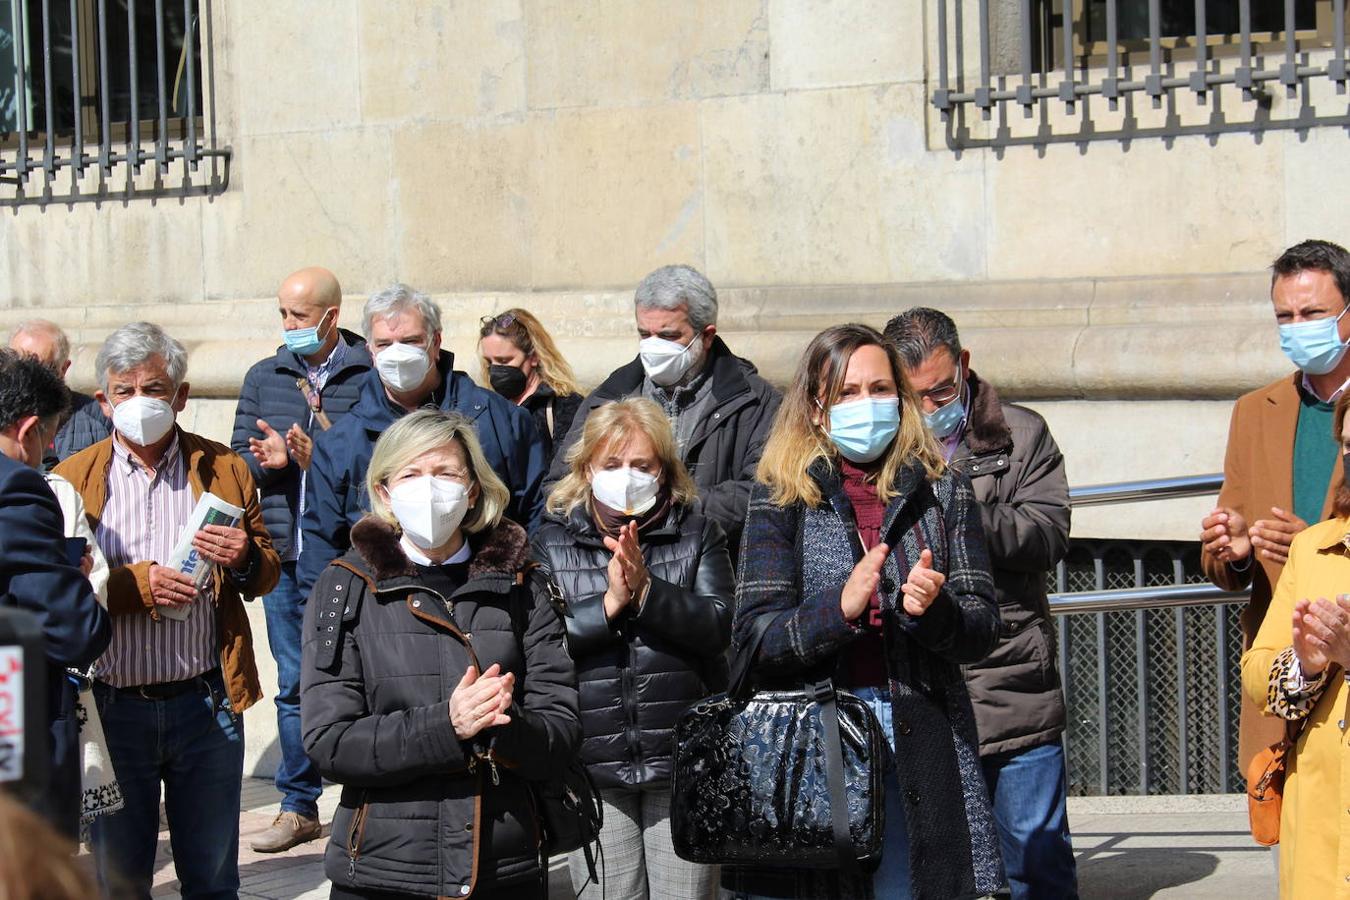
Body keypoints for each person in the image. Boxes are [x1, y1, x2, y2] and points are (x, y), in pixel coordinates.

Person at [727, 323, 1003, 899]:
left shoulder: (942, 489)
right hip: (816, 743)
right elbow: (754, 638)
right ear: (816, 406)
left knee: (914, 886)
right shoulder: (781, 493)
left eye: (880, 388)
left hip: (922, 731)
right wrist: (839, 610)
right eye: (848, 392)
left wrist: (935, 610)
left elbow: (981, 629)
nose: (867, 404)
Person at [300, 410, 580, 899]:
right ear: (385, 491)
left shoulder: (525, 582)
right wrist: (445, 726)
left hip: (504, 861)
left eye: (445, 473)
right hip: (385, 869)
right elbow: (329, 741)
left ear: (472, 488)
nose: (429, 489)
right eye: (410, 474)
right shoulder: (346, 585)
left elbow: (562, 728)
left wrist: (503, 723)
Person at [54, 322, 280, 898]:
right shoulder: (71, 480)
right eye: (122, 391)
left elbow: (268, 571)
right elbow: (59, 591)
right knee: (121, 879)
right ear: (103, 400)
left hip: (204, 707)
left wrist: (246, 557)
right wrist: (136, 586)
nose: (138, 403)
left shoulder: (225, 468)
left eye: (152, 389)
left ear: (179, 396)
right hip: (111, 708)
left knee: (210, 877)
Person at [886, 307, 1078, 899]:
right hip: (922, 687)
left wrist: (960, 510)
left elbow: (1048, 533)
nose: (928, 406)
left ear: (964, 366)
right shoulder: (876, 444)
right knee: (943, 867)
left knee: (1034, 858)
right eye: (911, 395)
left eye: (941, 389)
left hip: (1010, 678)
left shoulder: (1020, 433)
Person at [532, 398, 733, 899]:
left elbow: (719, 626)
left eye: (642, 465)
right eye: (613, 464)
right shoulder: (550, 544)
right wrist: (608, 604)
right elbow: (540, 642)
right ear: (586, 469)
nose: (627, 476)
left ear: (663, 471)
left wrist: (647, 594)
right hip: (593, 763)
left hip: (682, 762)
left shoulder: (697, 532)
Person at [230, 266, 373, 852]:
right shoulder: (266, 376)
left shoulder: (368, 375)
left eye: (297, 315)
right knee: (294, 680)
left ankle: (364, 800)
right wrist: (267, 461)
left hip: (352, 555)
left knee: (369, 676)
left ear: (330, 317)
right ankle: (298, 804)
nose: (287, 325)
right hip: (287, 555)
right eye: (282, 314)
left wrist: (325, 455)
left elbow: (386, 456)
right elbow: (240, 460)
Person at [1201, 239, 1350, 790]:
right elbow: (1225, 562)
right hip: (1284, 682)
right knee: (1294, 861)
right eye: (1284, 315)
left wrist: (1316, 545)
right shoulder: (1255, 411)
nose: (1296, 326)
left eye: (1312, 313)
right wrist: (1233, 552)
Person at [298, 283, 546, 598]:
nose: (398, 353)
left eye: (411, 341)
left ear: (436, 341)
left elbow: (538, 513)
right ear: (371, 352)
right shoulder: (340, 444)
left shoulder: (502, 421)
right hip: (383, 613)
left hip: (490, 604)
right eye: (385, 343)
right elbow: (320, 546)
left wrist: (532, 599)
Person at [546, 264, 781, 554]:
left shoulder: (756, 401)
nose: (653, 347)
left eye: (669, 336)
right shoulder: (608, 397)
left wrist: (670, 506)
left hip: (712, 569)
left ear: (706, 336)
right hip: (612, 565)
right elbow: (559, 489)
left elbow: (767, 493)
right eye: (644, 334)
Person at [1240, 388, 1350, 898]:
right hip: (1321, 830)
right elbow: (1258, 670)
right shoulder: (1316, 547)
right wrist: (1305, 666)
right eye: (1347, 446)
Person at [0, 349, 110, 837]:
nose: (48, 449)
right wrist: (76, 582)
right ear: (28, 430)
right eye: (48, 436)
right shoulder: (19, 490)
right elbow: (76, 631)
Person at [479, 308, 583, 463]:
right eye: (489, 362)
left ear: (534, 357)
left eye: (504, 361)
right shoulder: (485, 408)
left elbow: (565, 472)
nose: (495, 370)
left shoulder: (564, 406)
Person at [7, 318, 112, 464]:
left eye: (41, 368)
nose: (28, 377)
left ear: (63, 368)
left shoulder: (100, 417)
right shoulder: (4, 416)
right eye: (21, 366)